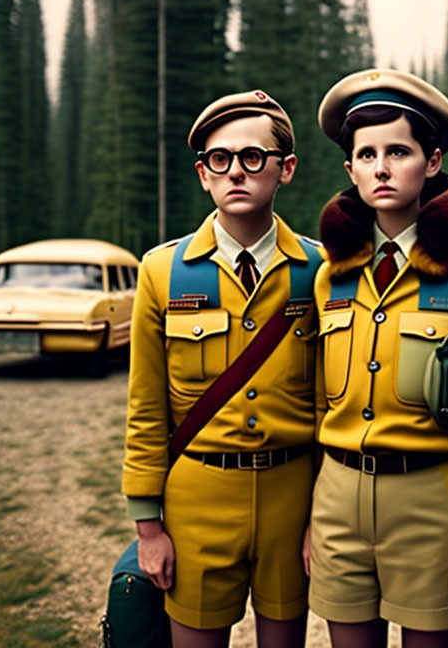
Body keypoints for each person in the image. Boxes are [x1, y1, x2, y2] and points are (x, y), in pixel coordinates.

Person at [308, 68, 448, 648]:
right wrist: (310, 519)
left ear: (431, 162)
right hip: (337, 507)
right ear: (349, 168)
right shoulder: (329, 276)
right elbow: (309, 407)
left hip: (435, 507)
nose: (381, 167)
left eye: (398, 151)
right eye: (366, 153)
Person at [121, 90, 322, 648]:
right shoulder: (163, 271)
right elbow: (146, 408)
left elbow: (337, 402)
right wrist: (148, 525)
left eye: (254, 157)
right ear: (203, 174)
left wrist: (326, 517)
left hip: (293, 497)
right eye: (220, 159)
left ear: (286, 169)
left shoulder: (321, 270)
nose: (236, 171)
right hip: (196, 498)